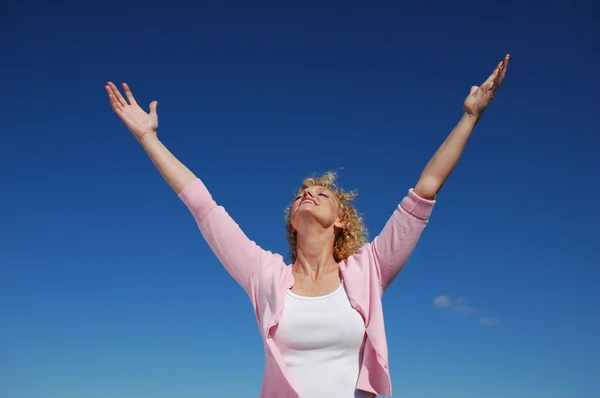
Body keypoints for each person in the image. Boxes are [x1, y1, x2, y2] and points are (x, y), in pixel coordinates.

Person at [105, 54, 510, 398]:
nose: (309, 194)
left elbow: (425, 190)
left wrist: (469, 117)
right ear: (291, 222)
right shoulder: (264, 273)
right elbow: (203, 207)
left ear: (340, 221)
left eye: (323, 194)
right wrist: (148, 139)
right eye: (302, 193)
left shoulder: (368, 270)